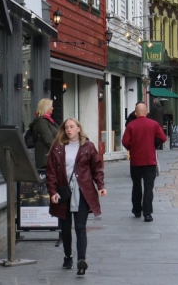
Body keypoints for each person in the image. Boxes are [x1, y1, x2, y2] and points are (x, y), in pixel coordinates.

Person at [46, 118, 106, 275]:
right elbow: (51, 172)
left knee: (80, 227)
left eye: (72, 127)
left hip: (83, 191)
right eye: (66, 127)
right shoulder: (57, 147)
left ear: (79, 128)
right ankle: (68, 256)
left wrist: (101, 186)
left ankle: (81, 260)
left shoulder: (88, 146)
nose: (69, 130)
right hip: (63, 192)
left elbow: (97, 168)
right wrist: (52, 192)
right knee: (65, 228)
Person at [122, 102, 167, 222]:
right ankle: (147, 213)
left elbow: (125, 141)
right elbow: (163, 138)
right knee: (148, 188)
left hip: (136, 161)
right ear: (146, 112)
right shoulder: (154, 124)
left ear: (136, 113)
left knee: (136, 186)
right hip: (150, 160)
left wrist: (132, 148)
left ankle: (137, 210)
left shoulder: (131, 125)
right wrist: (155, 143)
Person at [30, 98, 59, 169]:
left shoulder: (48, 120)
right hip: (45, 159)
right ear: (46, 107)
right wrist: (59, 150)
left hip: (50, 156)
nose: (53, 108)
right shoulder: (41, 121)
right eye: (51, 106)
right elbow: (48, 140)